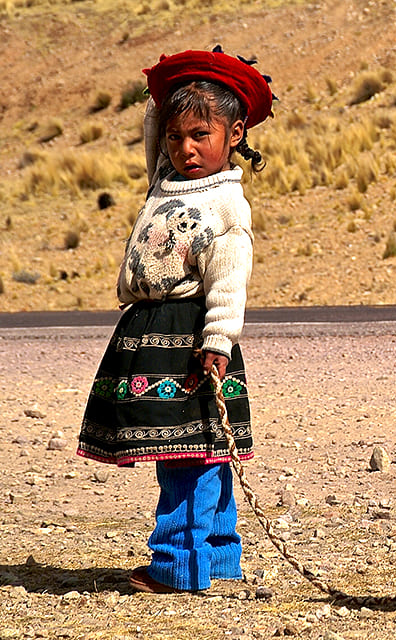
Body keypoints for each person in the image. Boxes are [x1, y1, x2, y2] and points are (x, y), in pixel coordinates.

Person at [77, 47, 273, 594]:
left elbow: (229, 283)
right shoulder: (166, 180)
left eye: (199, 136)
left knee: (190, 453)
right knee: (201, 448)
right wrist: (161, 92)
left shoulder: (227, 204)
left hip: (189, 339)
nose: (184, 149)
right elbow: (154, 131)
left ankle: (179, 565)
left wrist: (217, 343)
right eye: (173, 136)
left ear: (234, 135)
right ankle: (218, 561)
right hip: (150, 332)